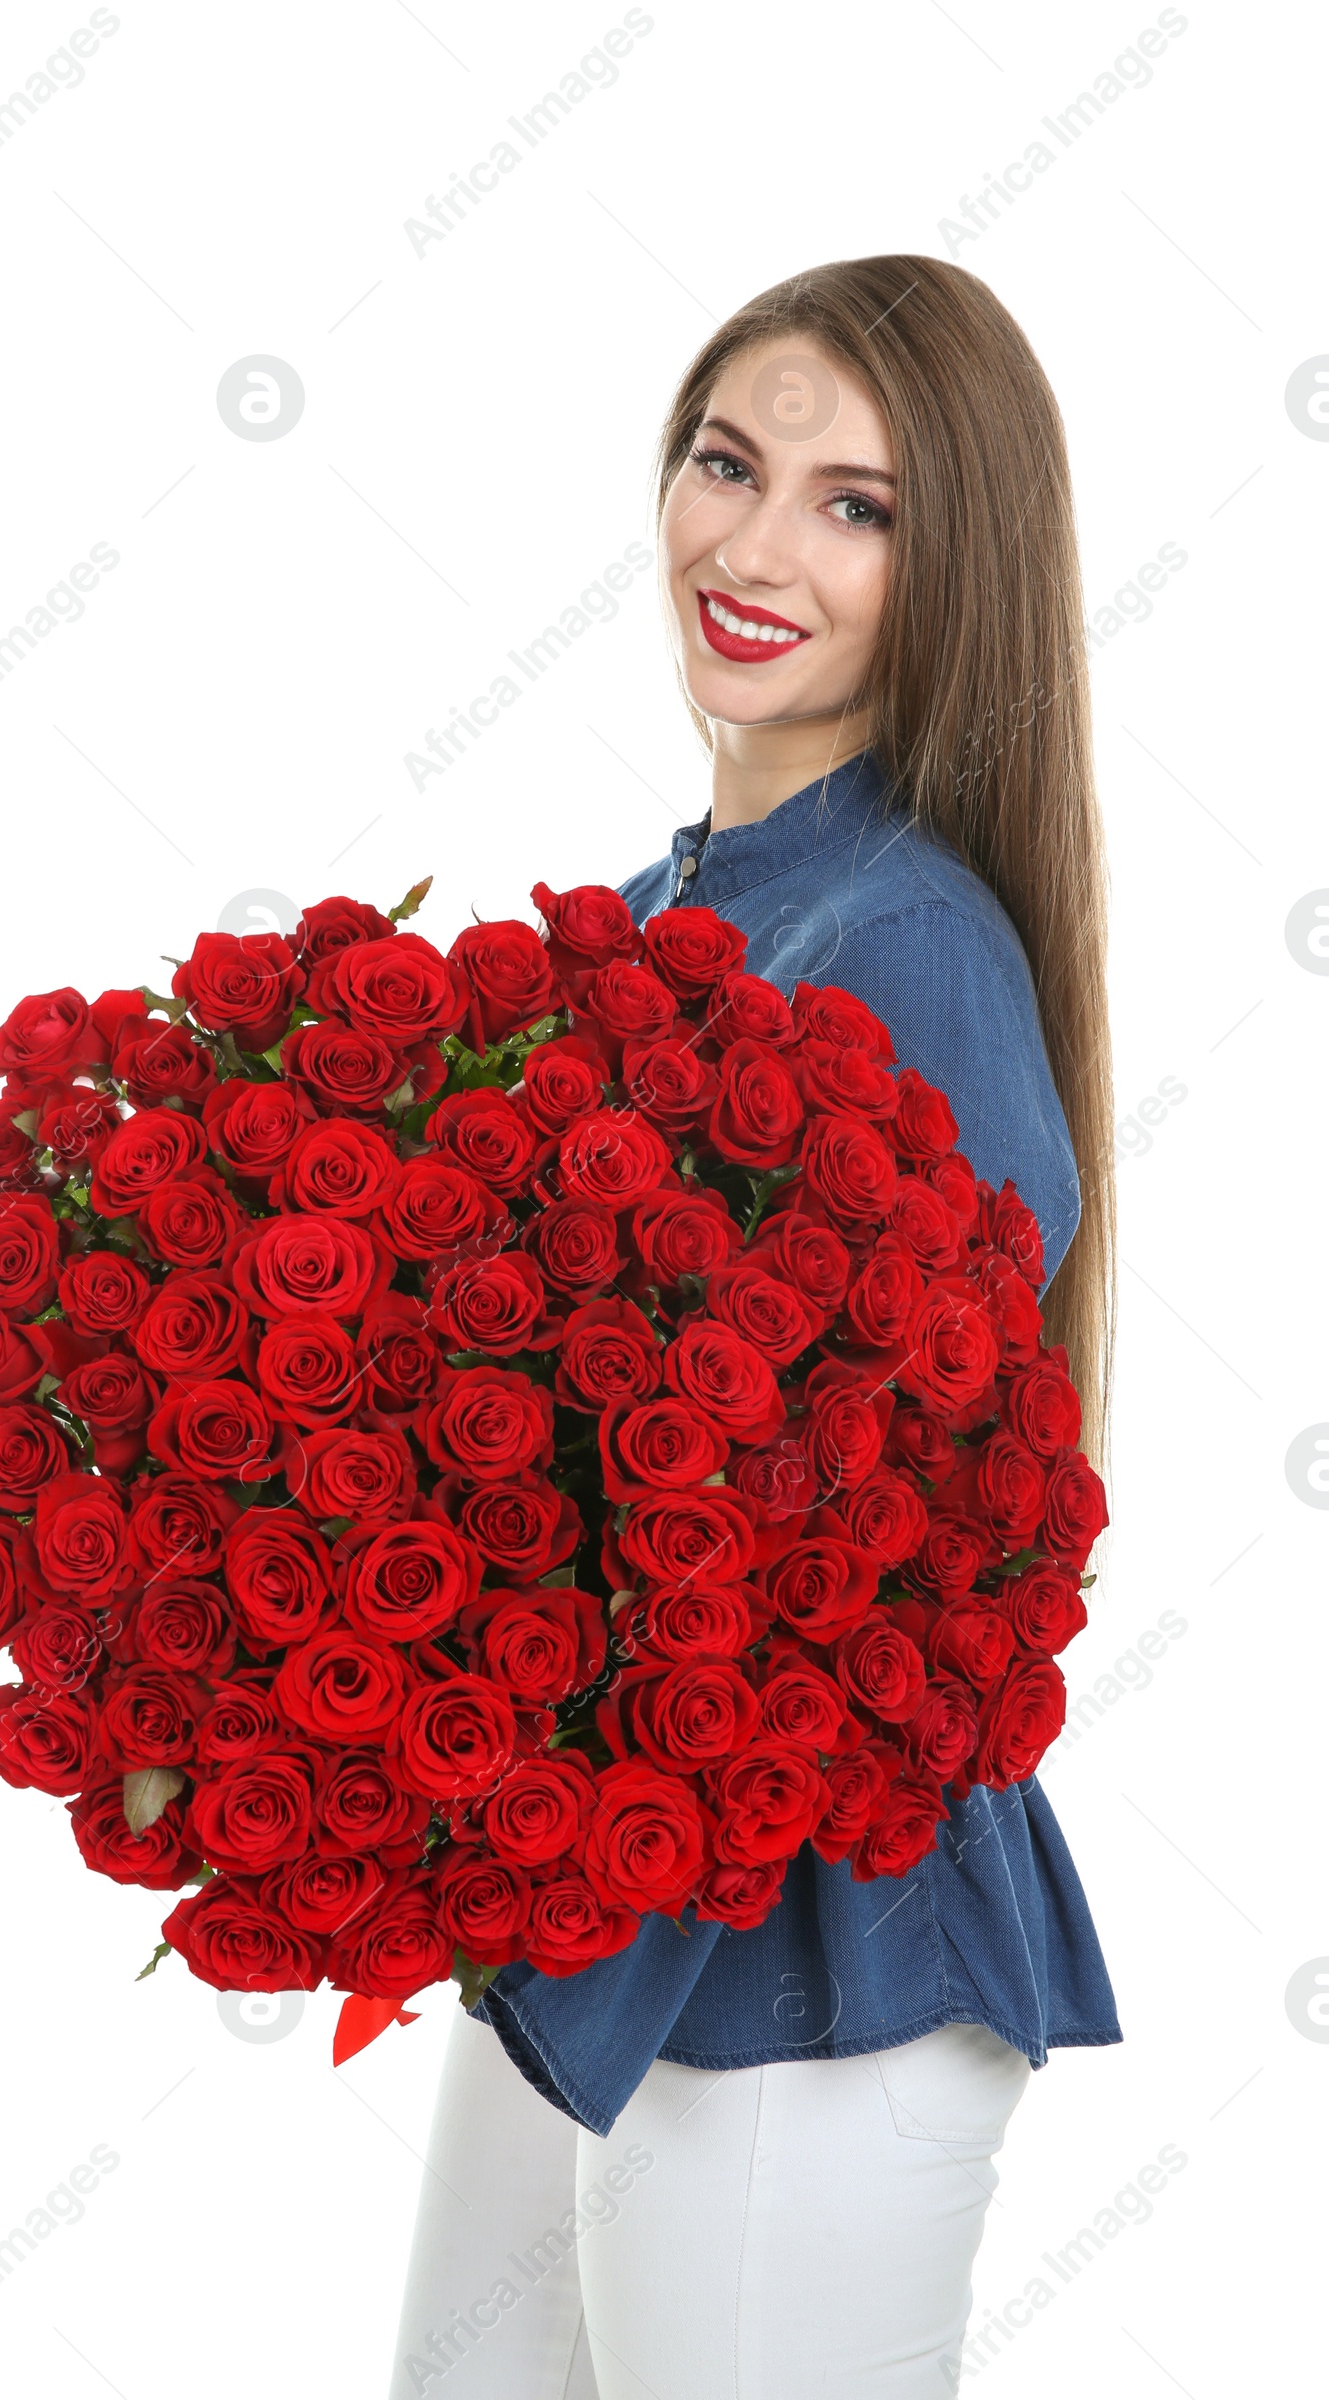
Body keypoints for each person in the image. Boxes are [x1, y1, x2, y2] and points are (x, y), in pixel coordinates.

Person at [388, 254, 1121, 2400]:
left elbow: (946, 1517)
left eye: (850, 503)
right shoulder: (666, 906)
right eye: (727, 462)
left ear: (948, 559)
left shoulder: (900, 939)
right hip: (597, 1900)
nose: (752, 542)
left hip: (823, 1956)